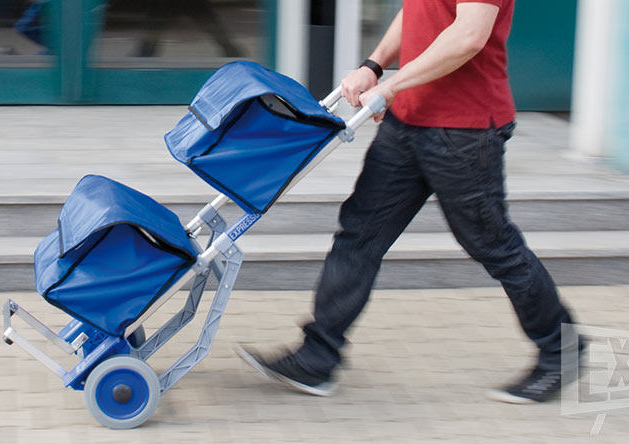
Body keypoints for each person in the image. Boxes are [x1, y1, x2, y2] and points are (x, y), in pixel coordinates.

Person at [236, 0, 581, 404]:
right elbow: (417, 11)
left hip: (462, 131)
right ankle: (317, 357)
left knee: (494, 246)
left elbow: (468, 36)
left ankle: (563, 352)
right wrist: (374, 64)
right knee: (360, 233)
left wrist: (393, 85)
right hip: (408, 122)